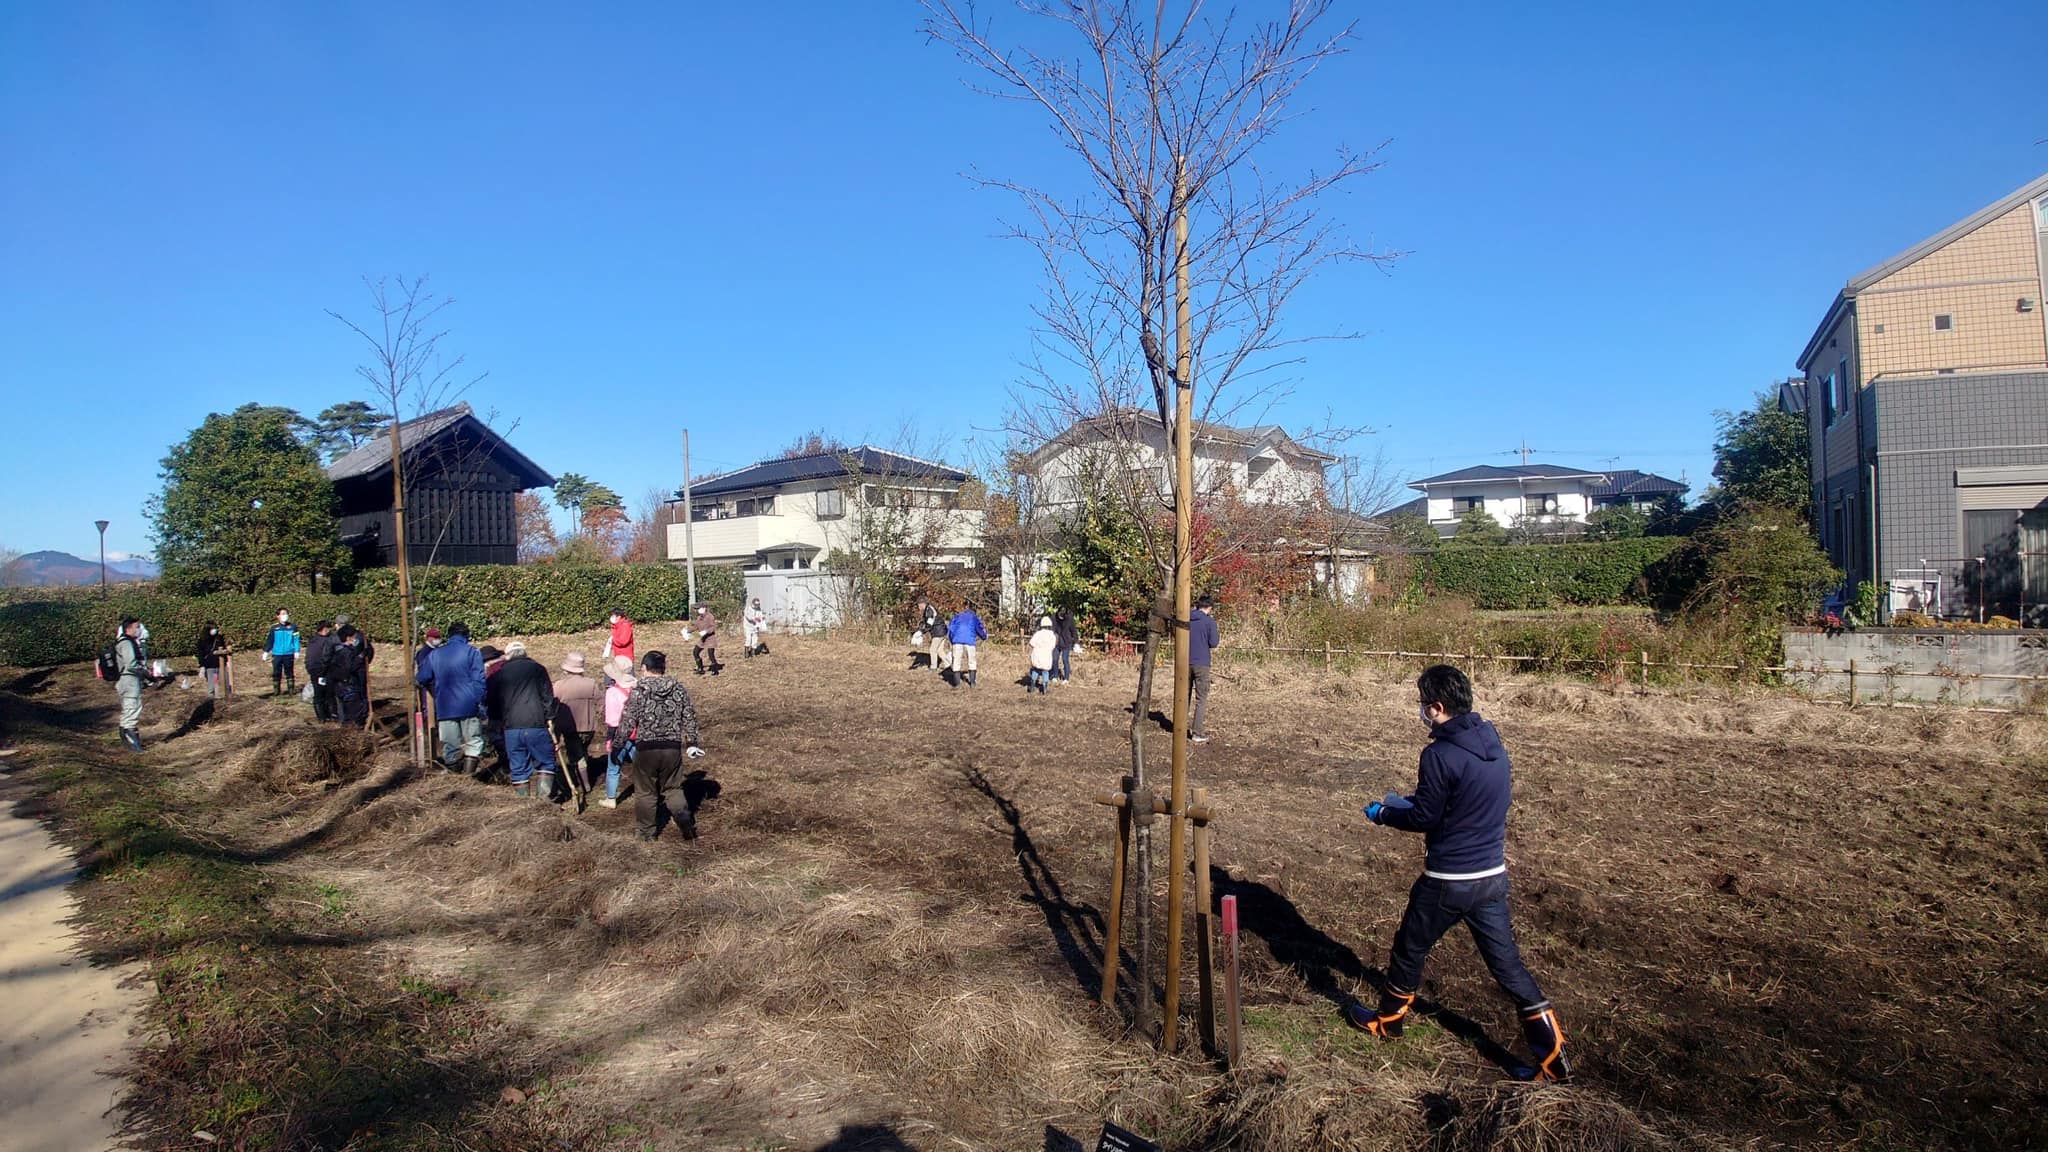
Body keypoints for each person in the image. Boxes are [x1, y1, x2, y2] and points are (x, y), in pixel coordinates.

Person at [1350, 664, 1571, 1082]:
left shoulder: (1438, 755)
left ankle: (1388, 1022)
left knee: (1409, 948)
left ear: (1437, 707)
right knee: (1508, 967)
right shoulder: (1492, 741)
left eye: (1422, 705)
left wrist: (1384, 813)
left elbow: (1425, 817)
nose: (1420, 712)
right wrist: (1420, 803)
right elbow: (1460, 798)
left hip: (1449, 879)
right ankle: (1553, 1060)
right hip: (1491, 877)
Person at [618, 650, 705, 841]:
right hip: (672, 748)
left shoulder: (639, 692)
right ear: (663, 668)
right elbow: (689, 716)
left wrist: (618, 745)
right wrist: (691, 742)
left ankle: (646, 834)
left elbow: (627, 721)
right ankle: (684, 821)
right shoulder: (678, 688)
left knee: (645, 792)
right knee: (673, 788)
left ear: (644, 668)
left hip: (646, 748)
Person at [488, 641, 558, 800]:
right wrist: (550, 717)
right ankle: (543, 801)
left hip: (511, 728)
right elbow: (547, 696)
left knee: (518, 768)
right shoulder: (538, 669)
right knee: (546, 762)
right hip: (536, 724)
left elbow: (492, 702)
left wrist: (497, 723)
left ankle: (524, 805)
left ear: (508, 656)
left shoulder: (498, 675)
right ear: (524, 653)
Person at [416, 622, 487, 775]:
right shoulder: (472, 652)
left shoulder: (435, 654)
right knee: (473, 742)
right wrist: (479, 701)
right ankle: (469, 776)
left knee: (450, 743)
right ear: (466, 636)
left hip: (445, 705)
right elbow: (479, 679)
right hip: (468, 703)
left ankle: (454, 776)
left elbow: (422, 677)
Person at [553, 652, 603, 799]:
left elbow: (552, 708)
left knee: (577, 756)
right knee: (581, 751)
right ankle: (584, 774)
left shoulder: (559, 686)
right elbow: (601, 703)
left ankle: (585, 785)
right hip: (589, 727)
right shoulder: (591, 683)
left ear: (566, 669)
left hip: (571, 729)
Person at [601, 656, 635, 810]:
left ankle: (611, 798)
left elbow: (612, 721)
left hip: (619, 734)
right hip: (638, 733)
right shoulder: (639, 688)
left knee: (614, 767)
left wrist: (609, 738)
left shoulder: (612, 692)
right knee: (643, 765)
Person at [110, 617, 150, 751]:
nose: (139, 630)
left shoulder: (123, 642)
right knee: (132, 708)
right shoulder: (126, 643)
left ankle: (127, 741)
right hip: (129, 680)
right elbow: (131, 664)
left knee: (127, 709)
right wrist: (145, 672)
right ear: (128, 629)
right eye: (137, 627)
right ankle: (133, 743)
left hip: (125, 680)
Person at [1187, 595, 1220, 743]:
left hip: (1184, 662)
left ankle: (1179, 729)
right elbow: (1213, 643)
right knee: (1201, 698)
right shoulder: (1209, 622)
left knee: (1183, 697)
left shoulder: (1186, 619)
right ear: (1209, 607)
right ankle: (1197, 732)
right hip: (1202, 663)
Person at [328, 626, 370, 725]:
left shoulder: (340, 651)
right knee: (355, 713)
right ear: (348, 638)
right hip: (348, 687)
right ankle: (355, 731)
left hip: (340, 686)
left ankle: (347, 727)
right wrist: (361, 657)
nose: (356, 639)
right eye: (354, 637)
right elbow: (350, 668)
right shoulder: (345, 653)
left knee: (345, 712)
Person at [303, 620, 337, 722]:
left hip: (320, 670)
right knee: (322, 694)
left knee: (325, 694)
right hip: (321, 671)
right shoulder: (322, 641)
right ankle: (324, 716)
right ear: (324, 629)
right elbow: (316, 658)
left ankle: (326, 715)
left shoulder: (315, 640)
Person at [946, 604, 987, 688]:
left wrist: (952, 640)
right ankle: (972, 682)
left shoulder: (957, 616)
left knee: (956, 661)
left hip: (957, 640)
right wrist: (984, 636)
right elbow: (979, 628)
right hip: (969, 641)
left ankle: (956, 684)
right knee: (972, 661)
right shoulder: (974, 617)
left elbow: (951, 629)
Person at [267, 608, 301, 696]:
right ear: (277, 616)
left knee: (289, 672)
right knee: (276, 673)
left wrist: (297, 650)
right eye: (282, 614)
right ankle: (276, 691)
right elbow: (270, 640)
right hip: (277, 654)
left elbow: (296, 639)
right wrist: (266, 651)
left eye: (286, 613)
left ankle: (291, 691)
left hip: (289, 653)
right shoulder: (274, 628)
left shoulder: (293, 627)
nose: (284, 616)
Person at [195, 621, 230, 700]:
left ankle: (227, 695)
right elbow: (200, 654)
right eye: (212, 628)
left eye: (214, 628)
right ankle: (212, 697)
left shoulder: (218, 638)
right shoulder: (202, 640)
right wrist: (202, 666)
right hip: (210, 665)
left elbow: (223, 648)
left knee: (225, 681)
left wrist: (227, 661)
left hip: (221, 664)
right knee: (213, 683)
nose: (214, 630)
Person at [1026, 615, 1057, 695]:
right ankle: (1045, 688)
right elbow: (1053, 646)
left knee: (1036, 669)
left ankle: (1032, 686)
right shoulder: (1052, 635)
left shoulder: (1038, 634)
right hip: (1046, 655)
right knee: (1045, 671)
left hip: (1037, 654)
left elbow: (1031, 643)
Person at [916, 599, 947, 675]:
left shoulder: (929, 610)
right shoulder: (928, 610)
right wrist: (920, 629)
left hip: (938, 632)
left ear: (922, 604)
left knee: (932, 649)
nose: (918, 607)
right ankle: (949, 665)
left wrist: (922, 632)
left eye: (918, 605)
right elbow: (924, 622)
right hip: (941, 631)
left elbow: (929, 624)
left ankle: (933, 667)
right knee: (940, 650)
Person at [1051, 607, 1079, 686]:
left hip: (1067, 642)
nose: (1060, 617)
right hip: (1056, 642)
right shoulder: (1054, 618)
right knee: (1055, 658)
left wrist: (1076, 642)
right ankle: (1055, 676)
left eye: (1062, 616)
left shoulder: (1070, 619)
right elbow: (1051, 629)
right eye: (1059, 615)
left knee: (1065, 659)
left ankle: (1066, 678)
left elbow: (1074, 631)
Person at [692, 605, 722, 676]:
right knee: (695, 652)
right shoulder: (699, 617)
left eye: (698, 608)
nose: (697, 610)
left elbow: (713, 627)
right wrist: (687, 631)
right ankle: (700, 669)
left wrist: (706, 631)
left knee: (711, 655)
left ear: (704, 608)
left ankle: (715, 670)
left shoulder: (710, 616)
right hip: (703, 639)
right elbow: (696, 626)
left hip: (710, 638)